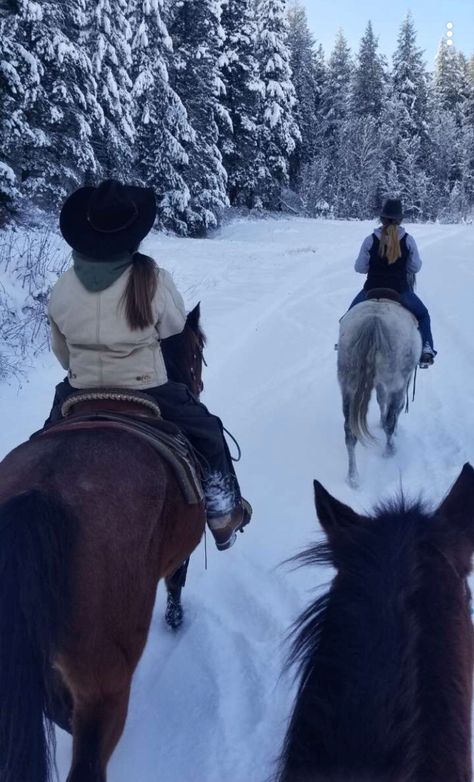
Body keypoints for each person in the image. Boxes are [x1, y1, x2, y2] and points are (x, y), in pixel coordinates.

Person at [46, 179, 251, 551]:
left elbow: (62, 353)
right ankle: (222, 515)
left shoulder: (62, 287)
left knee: (41, 446)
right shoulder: (152, 279)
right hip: (148, 388)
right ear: (133, 236)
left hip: (79, 388)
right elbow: (175, 331)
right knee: (208, 433)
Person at [348, 198, 436, 367]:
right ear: (400, 219)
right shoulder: (408, 240)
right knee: (423, 315)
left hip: (371, 289)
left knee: (347, 316)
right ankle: (426, 349)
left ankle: (347, 343)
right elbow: (415, 267)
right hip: (400, 291)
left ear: (382, 218)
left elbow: (360, 268)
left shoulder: (370, 239)